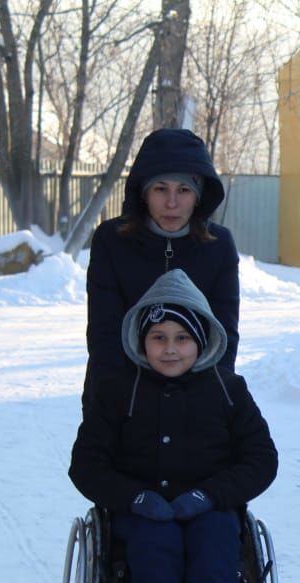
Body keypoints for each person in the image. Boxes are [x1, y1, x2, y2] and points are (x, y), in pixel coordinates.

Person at [69, 268, 277, 583]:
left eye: (182, 338)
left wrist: (211, 495)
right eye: (158, 337)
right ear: (141, 341)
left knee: (215, 546)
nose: (170, 349)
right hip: (141, 509)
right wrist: (133, 497)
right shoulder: (117, 392)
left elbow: (261, 459)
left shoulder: (227, 390)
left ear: (201, 341)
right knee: (153, 545)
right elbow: (86, 464)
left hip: (209, 507)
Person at [84, 128, 240, 402]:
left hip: (196, 395)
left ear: (199, 195)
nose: (171, 203)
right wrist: (111, 404)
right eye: (160, 189)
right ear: (144, 193)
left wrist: (213, 398)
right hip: (124, 393)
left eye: (183, 190)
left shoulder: (218, 246)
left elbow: (223, 333)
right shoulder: (112, 241)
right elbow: (104, 332)